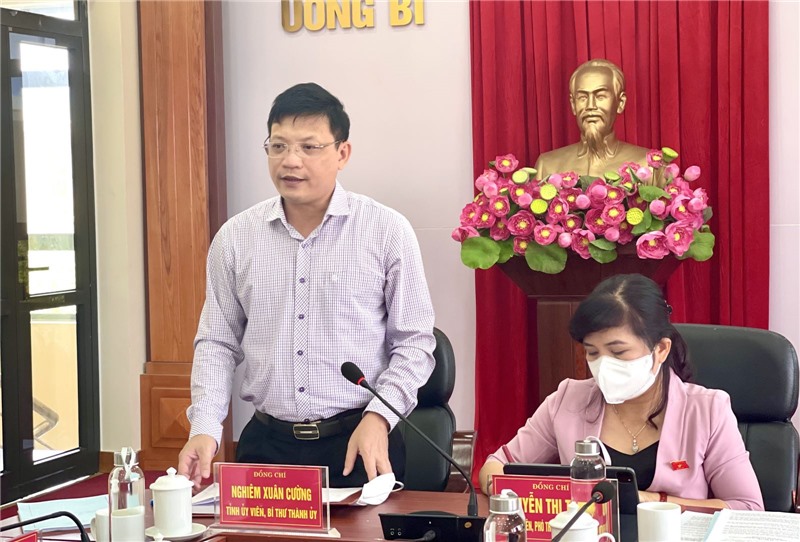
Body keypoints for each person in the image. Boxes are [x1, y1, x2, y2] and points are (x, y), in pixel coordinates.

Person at [178, 83, 436, 489]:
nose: (290, 161)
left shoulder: (386, 231)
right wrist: (205, 426)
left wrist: (379, 418)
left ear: (342, 153)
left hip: (359, 440)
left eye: (308, 147)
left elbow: (414, 344)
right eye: (278, 146)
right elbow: (217, 342)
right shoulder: (235, 237)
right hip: (266, 445)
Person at [479, 274, 764, 511]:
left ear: (660, 349)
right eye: (593, 353)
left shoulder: (707, 409)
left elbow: (748, 507)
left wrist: (650, 502)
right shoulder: (568, 400)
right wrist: (530, 496)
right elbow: (496, 466)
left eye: (618, 352)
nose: (603, 365)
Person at [534, 59, 650, 179]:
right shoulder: (547, 166)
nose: (590, 106)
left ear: (620, 103)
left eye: (600, 96)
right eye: (582, 98)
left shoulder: (647, 165)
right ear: (573, 105)